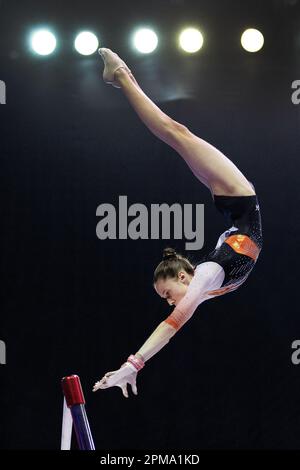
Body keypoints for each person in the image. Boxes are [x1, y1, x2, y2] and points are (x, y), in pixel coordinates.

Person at [92, 48, 263, 398]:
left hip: (235, 202)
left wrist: (132, 364)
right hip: (239, 198)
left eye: (166, 295)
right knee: (175, 132)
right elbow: (171, 326)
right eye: (168, 296)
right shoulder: (205, 281)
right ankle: (121, 75)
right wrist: (133, 364)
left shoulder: (206, 278)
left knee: (175, 133)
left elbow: (171, 324)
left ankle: (122, 75)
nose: (170, 301)